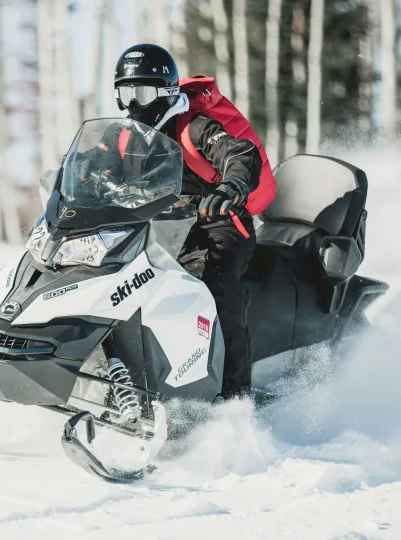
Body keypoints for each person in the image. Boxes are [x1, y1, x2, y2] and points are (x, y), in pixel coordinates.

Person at [105, 43, 276, 400]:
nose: (134, 104)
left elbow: (237, 152)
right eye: (125, 94)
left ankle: (234, 396)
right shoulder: (123, 136)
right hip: (158, 230)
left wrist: (233, 184)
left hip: (217, 224)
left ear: (165, 93)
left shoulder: (193, 126)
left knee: (213, 288)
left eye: (142, 93)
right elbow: (94, 163)